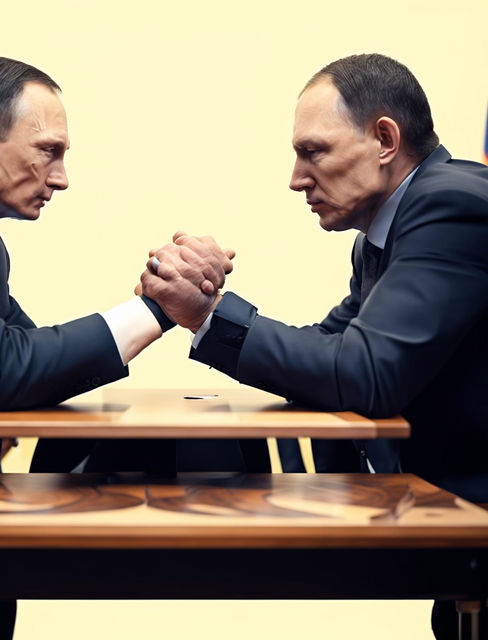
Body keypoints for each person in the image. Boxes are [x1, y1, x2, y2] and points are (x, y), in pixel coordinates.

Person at [0, 56, 231, 639]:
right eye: (49, 150)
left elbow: (26, 355)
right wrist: (159, 306)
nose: (61, 177)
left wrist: (159, 292)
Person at [140, 53, 488, 638]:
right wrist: (210, 302)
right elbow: (333, 345)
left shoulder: (448, 206)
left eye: (313, 152)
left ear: (384, 139)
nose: (297, 178)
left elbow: (367, 374)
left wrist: (207, 313)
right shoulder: (387, 229)